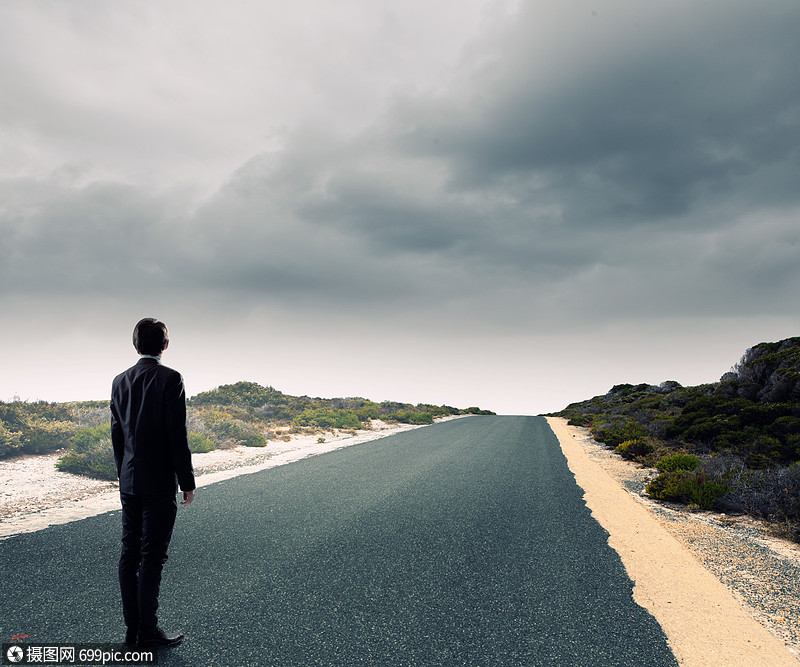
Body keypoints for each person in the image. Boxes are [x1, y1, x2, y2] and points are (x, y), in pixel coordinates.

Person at [110, 318, 196, 649]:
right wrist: (185, 480)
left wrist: (123, 472)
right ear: (165, 345)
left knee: (129, 553)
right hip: (159, 483)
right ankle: (148, 629)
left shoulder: (119, 380)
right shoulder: (170, 378)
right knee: (152, 556)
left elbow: (117, 433)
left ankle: (133, 630)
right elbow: (177, 433)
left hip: (129, 481)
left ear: (135, 345)